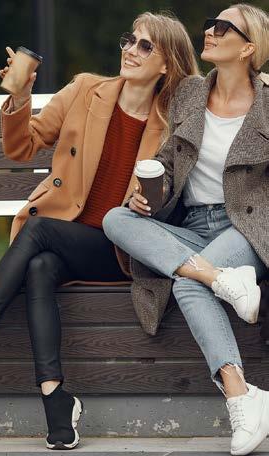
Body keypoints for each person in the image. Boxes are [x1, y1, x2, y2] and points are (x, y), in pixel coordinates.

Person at [0, 12, 199, 450]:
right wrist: (20, 98)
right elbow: (22, 146)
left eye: (145, 46)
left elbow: (177, 197)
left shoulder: (173, 123)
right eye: (129, 40)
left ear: (167, 64)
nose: (131, 50)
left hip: (121, 248)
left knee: (39, 233)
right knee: (40, 268)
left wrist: (151, 204)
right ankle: (56, 400)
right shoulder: (85, 90)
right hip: (68, 237)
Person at [102, 4, 269, 456]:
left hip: (247, 225)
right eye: (210, 24)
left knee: (186, 285)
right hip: (192, 226)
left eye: (223, 27)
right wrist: (147, 194)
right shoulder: (190, 93)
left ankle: (240, 396)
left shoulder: (268, 103)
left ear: (248, 47)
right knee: (116, 219)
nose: (209, 31)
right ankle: (220, 279)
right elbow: (169, 163)